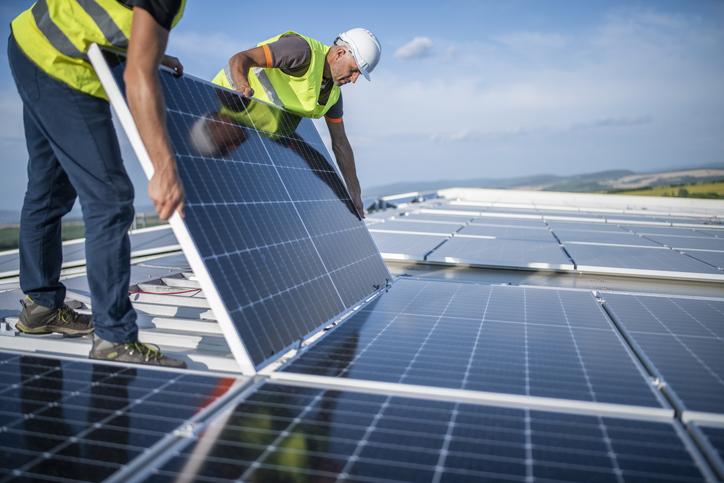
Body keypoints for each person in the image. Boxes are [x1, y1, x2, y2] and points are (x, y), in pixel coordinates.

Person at [8, 0, 187, 367]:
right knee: (111, 198)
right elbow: (137, 77)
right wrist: (163, 166)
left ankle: (41, 306)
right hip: (62, 64)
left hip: (31, 46)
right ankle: (114, 337)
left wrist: (150, 52)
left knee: (49, 189)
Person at [212, 28, 382, 218]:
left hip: (258, 135)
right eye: (354, 70)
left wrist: (354, 191)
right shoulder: (301, 51)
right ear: (340, 53)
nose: (354, 79)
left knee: (313, 160)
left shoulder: (333, 95)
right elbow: (240, 58)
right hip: (222, 110)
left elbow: (340, 142)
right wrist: (242, 86)